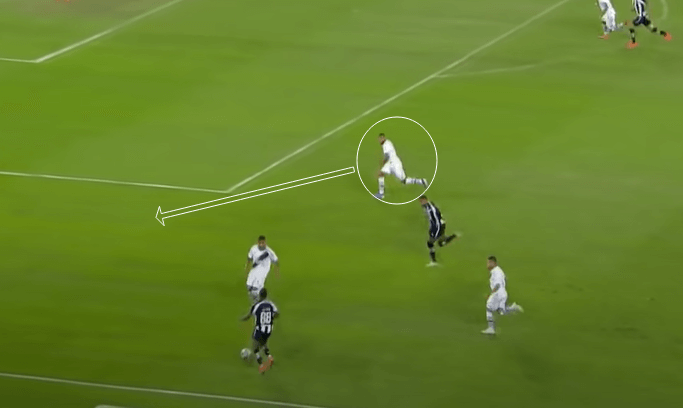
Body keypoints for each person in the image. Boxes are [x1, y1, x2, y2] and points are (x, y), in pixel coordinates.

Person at [375, 133, 427, 199]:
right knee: (381, 174)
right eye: (380, 138)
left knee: (404, 181)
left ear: (384, 138)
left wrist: (382, 163)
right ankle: (381, 193)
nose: (380, 140)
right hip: (390, 163)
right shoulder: (385, 143)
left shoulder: (386, 144)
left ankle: (421, 181)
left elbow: (387, 156)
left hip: (395, 163)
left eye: (382, 138)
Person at [482, 256, 523, 335]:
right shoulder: (496, 271)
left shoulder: (496, 272)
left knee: (489, 308)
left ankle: (491, 329)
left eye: (489, 263)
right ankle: (513, 308)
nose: (487, 265)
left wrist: (491, 294)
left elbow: (497, 284)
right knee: (501, 311)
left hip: (498, 294)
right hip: (501, 294)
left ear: (493, 263)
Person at [241, 288, 278, 374]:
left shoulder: (257, 305)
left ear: (260, 296)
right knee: (263, 343)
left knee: (255, 347)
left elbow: (249, 315)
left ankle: (261, 365)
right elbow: (277, 313)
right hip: (268, 330)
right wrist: (271, 317)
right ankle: (269, 357)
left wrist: (242, 319)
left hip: (260, 329)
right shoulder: (271, 304)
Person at [419, 195, 457, 267]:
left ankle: (433, 261)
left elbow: (437, 219)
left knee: (431, 243)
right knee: (439, 242)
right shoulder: (427, 206)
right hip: (436, 226)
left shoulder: (431, 209)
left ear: (426, 200)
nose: (421, 203)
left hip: (437, 226)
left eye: (422, 201)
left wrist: (436, 229)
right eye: (420, 201)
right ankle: (450, 237)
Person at [245, 236, 279, 302]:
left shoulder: (269, 251)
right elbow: (249, 258)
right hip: (255, 268)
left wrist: (276, 271)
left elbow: (275, 260)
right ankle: (253, 299)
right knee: (249, 285)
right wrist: (247, 268)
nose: (261, 244)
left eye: (263, 243)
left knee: (257, 286)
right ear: (258, 242)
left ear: (265, 243)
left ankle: (260, 300)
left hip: (263, 269)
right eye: (260, 243)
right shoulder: (253, 249)